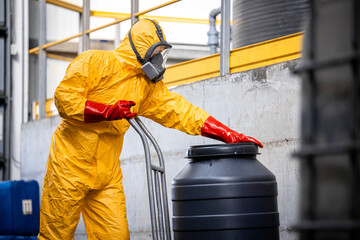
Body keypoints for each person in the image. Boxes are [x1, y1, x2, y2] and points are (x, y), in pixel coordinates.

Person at [38, 19, 263, 240]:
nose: (159, 60)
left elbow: (181, 111)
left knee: (116, 236)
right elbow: (65, 99)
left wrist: (228, 134)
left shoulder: (146, 87)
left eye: (161, 54)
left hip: (106, 177)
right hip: (68, 168)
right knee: (56, 235)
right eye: (156, 53)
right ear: (141, 49)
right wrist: (106, 111)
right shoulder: (94, 62)